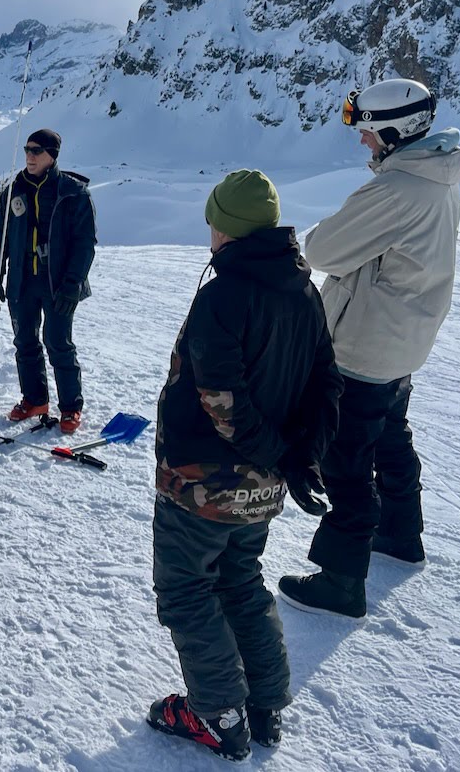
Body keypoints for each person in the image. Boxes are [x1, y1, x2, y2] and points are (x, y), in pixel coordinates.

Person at [148, 169, 342, 761]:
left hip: (204, 481)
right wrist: (299, 459)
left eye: (213, 221)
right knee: (238, 579)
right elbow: (325, 385)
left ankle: (217, 714)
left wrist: (279, 454)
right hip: (264, 482)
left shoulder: (226, 292)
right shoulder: (303, 290)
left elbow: (220, 398)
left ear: (226, 229)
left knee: (186, 590)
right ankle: (263, 702)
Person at [280, 79, 460, 619]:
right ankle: (401, 534)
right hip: (403, 341)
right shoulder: (439, 174)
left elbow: (322, 248)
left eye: (367, 133)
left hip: (366, 346)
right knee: (390, 438)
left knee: (346, 461)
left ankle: (341, 581)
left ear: (393, 130)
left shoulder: (398, 188)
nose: (363, 143)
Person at [0, 128, 96, 433]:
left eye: (36, 151)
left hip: (59, 284)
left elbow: (85, 244)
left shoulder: (73, 193)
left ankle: (71, 407)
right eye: (27, 150)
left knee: (58, 342)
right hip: (23, 280)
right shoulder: (13, 191)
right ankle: (35, 400)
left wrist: (73, 284)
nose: (29, 156)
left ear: (52, 155)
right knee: (24, 341)